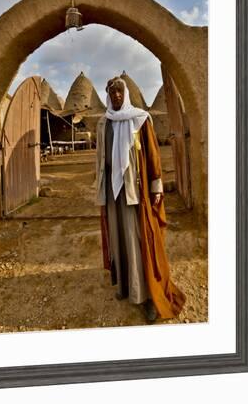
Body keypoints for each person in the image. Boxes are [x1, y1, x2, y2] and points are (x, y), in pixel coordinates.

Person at [96, 76, 185, 322]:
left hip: (137, 193)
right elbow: (100, 160)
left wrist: (157, 187)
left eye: (119, 92)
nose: (115, 96)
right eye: (111, 92)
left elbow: (153, 154)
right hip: (114, 194)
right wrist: (101, 189)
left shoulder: (140, 120)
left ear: (125, 94)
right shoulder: (104, 124)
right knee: (119, 239)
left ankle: (147, 296)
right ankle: (126, 287)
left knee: (139, 240)